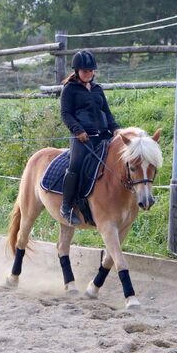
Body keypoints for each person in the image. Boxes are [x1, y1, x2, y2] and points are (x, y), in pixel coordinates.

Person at [59, 50, 120, 225]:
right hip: (82, 138)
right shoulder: (69, 90)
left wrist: (115, 129)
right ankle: (66, 206)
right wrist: (78, 131)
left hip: (103, 136)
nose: (88, 74)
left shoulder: (97, 89)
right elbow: (66, 114)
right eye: (85, 71)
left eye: (91, 70)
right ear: (77, 71)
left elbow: (106, 112)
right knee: (75, 165)